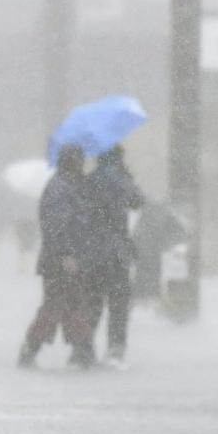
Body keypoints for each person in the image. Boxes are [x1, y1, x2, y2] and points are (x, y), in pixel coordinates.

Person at [17, 144, 96, 369]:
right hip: (60, 260)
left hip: (60, 258)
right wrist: (67, 254)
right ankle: (77, 350)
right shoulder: (61, 188)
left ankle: (81, 350)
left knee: (68, 305)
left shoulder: (65, 185)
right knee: (58, 306)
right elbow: (57, 225)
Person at [84, 144, 144, 367]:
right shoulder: (122, 180)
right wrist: (128, 177)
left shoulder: (89, 181)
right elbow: (139, 201)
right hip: (117, 252)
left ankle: (86, 348)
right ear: (118, 158)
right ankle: (115, 351)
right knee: (118, 304)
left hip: (92, 252)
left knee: (93, 302)